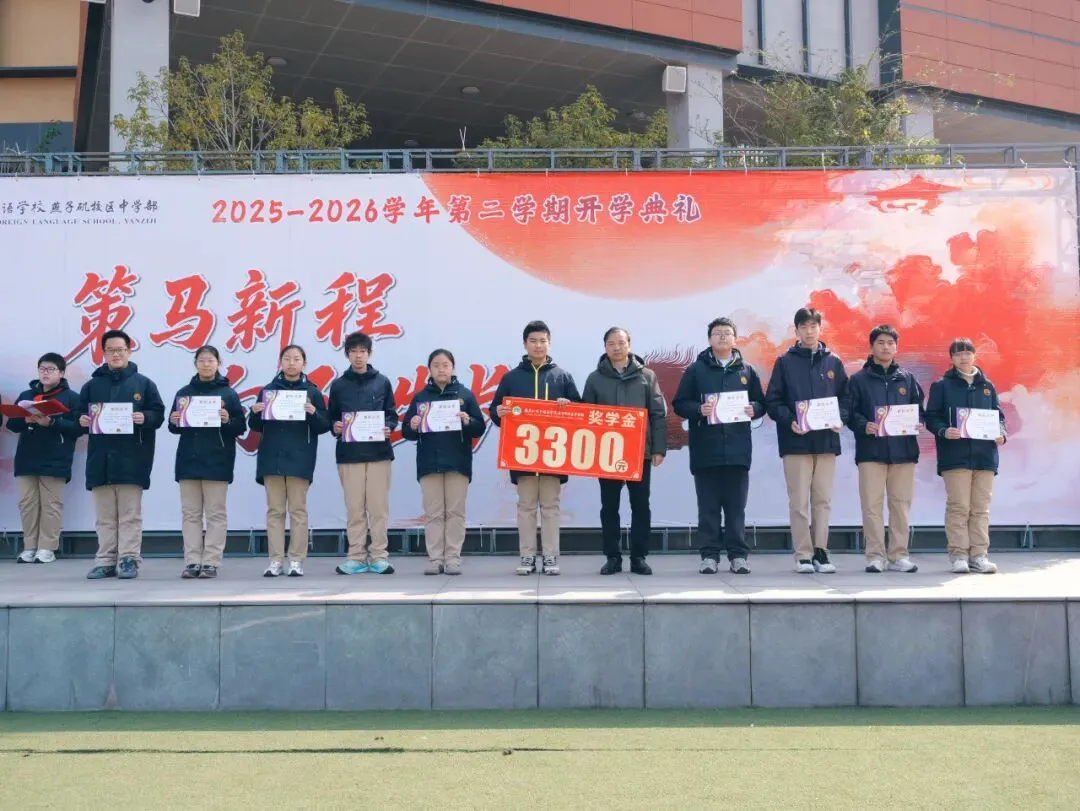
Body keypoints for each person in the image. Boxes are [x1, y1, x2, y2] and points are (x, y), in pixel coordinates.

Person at [673, 318, 766, 575]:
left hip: (738, 451)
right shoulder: (696, 370)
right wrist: (698, 409)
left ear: (735, 339)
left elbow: (762, 403)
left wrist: (754, 408)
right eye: (718, 333)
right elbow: (679, 403)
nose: (723, 337)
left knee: (736, 509)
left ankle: (738, 556)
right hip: (706, 451)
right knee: (708, 508)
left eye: (727, 333)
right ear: (709, 339)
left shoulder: (747, 370)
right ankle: (709, 556)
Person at [490, 320, 581, 576]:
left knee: (551, 507)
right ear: (525, 344)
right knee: (526, 507)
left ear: (549, 343)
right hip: (523, 455)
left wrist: (568, 406)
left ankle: (550, 556)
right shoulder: (511, 378)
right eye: (533, 341)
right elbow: (496, 411)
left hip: (554, 455)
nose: (538, 345)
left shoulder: (562, 376)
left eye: (542, 341)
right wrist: (499, 412)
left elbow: (579, 412)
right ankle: (527, 556)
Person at [765, 308, 849, 574]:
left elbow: (846, 399)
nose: (809, 331)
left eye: (814, 326)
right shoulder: (784, 362)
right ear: (796, 330)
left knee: (823, 500)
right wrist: (790, 420)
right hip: (796, 442)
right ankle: (803, 553)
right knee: (799, 501)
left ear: (820, 329)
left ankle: (821, 551)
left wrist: (841, 418)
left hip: (826, 442)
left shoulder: (833, 361)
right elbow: (773, 401)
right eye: (804, 326)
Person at [78, 330, 165, 580]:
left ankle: (129, 559)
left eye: (120, 350)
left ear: (129, 351)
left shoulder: (144, 384)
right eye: (111, 350)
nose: (116, 354)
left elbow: (158, 415)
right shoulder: (91, 386)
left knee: (129, 515)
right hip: (100, 459)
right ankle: (105, 560)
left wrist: (144, 417)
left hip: (132, 458)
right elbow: (76, 417)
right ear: (103, 353)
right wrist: (81, 420)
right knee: (104, 517)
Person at [582, 327, 668, 576]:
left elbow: (657, 414)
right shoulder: (595, 378)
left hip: (639, 453)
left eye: (621, 342)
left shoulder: (647, 376)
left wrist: (658, 449)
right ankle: (613, 557)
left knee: (640, 505)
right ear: (605, 347)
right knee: (609, 506)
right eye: (611, 343)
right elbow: (586, 416)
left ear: (629, 345)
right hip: (607, 453)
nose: (616, 347)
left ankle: (639, 557)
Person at [845, 325, 924, 574]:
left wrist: (918, 422)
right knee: (872, 506)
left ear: (896, 347)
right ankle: (875, 555)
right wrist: (863, 425)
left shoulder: (908, 379)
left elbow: (919, 409)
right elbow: (849, 412)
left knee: (900, 506)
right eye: (880, 342)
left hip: (904, 452)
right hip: (871, 452)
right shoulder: (859, 380)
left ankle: (899, 555)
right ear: (871, 347)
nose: (886, 347)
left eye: (890, 343)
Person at [402, 349, 487, 575]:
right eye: (436, 365)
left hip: (458, 462)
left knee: (455, 513)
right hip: (429, 463)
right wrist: (412, 424)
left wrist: (468, 421)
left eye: (445, 365)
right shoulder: (421, 397)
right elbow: (407, 432)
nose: (441, 369)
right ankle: (435, 559)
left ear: (453, 368)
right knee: (433, 513)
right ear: (429, 369)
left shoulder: (464, 395)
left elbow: (479, 427)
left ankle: (453, 558)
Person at [248, 344, 330, 577]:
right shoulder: (268, 391)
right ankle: (275, 560)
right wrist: (255, 412)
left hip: (300, 458)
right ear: (280, 362)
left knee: (298, 511)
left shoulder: (312, 392)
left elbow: (324, 426)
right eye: (287, 358)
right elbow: (255, 426)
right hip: (271, 458)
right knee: (275, 511)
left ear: (304, 363)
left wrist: (314, 413)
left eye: (296, 359)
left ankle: (296, 560)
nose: (291, 363)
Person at [926, 338, 1006, 574]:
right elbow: (931, 417)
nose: (963, 357)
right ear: (951, 358)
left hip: (984, 456)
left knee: (981, 508)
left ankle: (979, 555)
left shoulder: (987, 386)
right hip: (955, 456)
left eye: (967, 353)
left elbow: (998, 416)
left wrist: (1001, 433)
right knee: (959, 507)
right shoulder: (942, 386)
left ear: (974, 355)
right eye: (958, 354)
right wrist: (944, 430)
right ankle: (959, 555)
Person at [167, 345, 246, 579]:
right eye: (201, 360)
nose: (206, 364)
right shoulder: (184, 393)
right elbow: (173, 427)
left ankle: (211, 561)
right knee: (190, 514)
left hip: (217, 460)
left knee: (215, 514)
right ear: (195, 364)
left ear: (219, 363)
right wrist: (174, 420)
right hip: (188, 460)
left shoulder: (228, 394)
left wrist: (227, 419)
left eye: (210, 360)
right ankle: (192, 560)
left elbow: (240, 427)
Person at [328, 331, 399, 576]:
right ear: (347, 354)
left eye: (362, 351)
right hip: (349, 456)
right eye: (353, 351)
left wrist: (389, 426)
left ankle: (379, 556)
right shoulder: (338, 385)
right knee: (355, 509)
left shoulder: (382, 382)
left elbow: (391, 414)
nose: (358, 356)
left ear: (370, 354)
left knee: (378, 509)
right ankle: (356, 557)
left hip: (379, 454)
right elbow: (331, 417)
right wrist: (335, 426)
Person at [8, 353, 82, 564]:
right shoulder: (26, 395)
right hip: (26, 457)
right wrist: (26, 419)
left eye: (51, 369)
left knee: (51, 504)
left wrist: (51, 423)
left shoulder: (71, 397)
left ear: (61, 372)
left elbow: (78, 428)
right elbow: (12, 425)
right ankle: (29, 547)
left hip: (55, 458)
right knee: (27, 504)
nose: (45, 373)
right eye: (42, 369)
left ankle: (47, 547)